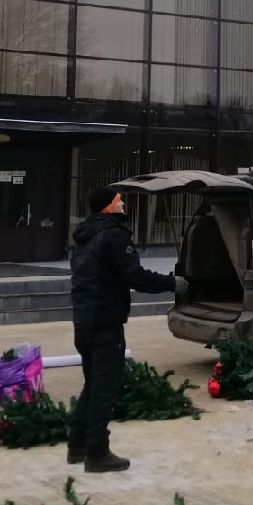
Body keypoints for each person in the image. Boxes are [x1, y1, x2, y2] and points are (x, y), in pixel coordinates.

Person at [66, 186, 187, 472]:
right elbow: (135, 275)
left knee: (92, 384)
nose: (124, 203)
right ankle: (97, 453)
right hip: (105, 321)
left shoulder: (86, 235)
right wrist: (173, 283)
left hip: (83, 320)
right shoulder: (113, 235)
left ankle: (77, 445)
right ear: (108, 206)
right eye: (119, 200)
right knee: (104, 387)